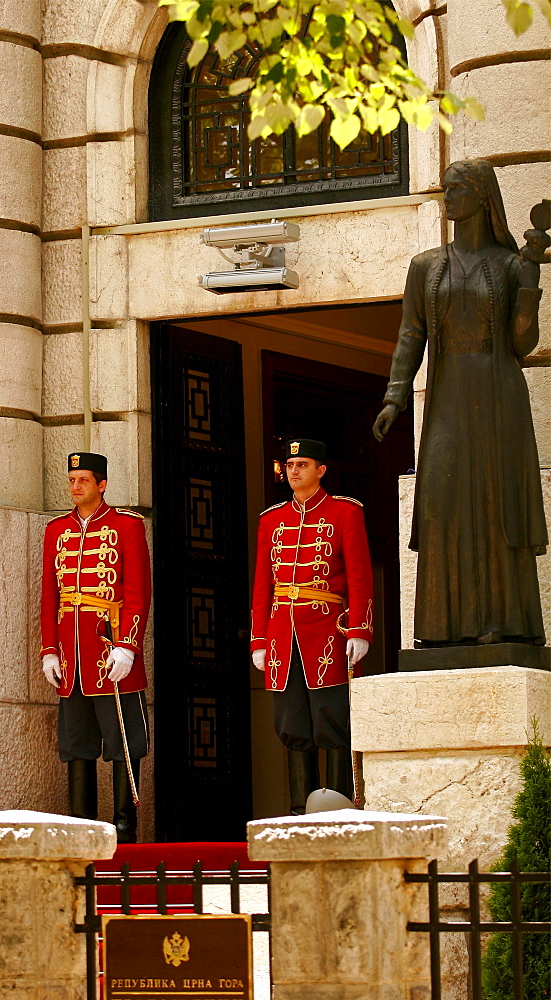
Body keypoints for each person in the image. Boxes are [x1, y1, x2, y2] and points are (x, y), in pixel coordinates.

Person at [373, 159, 547, 647]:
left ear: (480, 196)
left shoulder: (512, 265)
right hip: (447, 397)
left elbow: (522, 344)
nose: (446, 199)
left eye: (455, 190)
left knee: (496, 502)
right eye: (444, 190)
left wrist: (529, 290)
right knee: (443, 503)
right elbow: (411, 333)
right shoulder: (426, 265)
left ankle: (502, 623)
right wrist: (395, 396)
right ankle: (442, 626)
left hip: (498, 395)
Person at [250, 439, 374, 812]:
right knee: (292, 727)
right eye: (290, 465)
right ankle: (300, 812)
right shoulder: (271, 519)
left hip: (328, 634)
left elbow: (360, 577)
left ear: (321, 470)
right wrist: (259, 638)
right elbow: (262, 584)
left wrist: (360, 630)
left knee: (332, 723)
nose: (294, 471)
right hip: (282, 639)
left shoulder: (345, 512)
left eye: (302, 464)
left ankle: (337, 807)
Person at [41, 452, 151, 842]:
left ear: (102, 484)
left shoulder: (126, 526)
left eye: (83, 480)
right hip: (71, 657)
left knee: (125, 742)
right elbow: (49, 595)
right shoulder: (56, 530)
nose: (75, 487)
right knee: (77, 746)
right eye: (72, 480)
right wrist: (49, 650)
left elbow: (138, 591)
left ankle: (125, 828)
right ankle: (81, 828)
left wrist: (129, 646)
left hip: (112, 651)